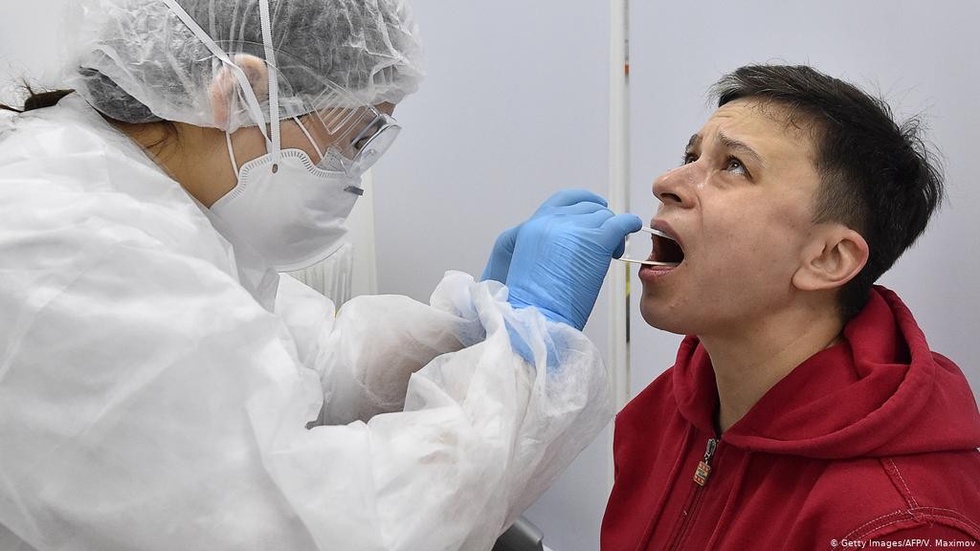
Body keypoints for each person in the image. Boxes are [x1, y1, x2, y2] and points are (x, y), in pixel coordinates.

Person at [0, 1, 642, 549]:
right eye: (354, 137)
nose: (351, 173)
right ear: (238, 93)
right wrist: (531, 351)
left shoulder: (145, 202)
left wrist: (469, 326)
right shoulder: (83, 251)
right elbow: (330, 530)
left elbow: (319, 362)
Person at [601, 64, 980, 550]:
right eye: (690, 156)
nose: (666, 182)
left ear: (828, 258)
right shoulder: (658, 413)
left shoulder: (900, 526)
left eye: (734, 166)